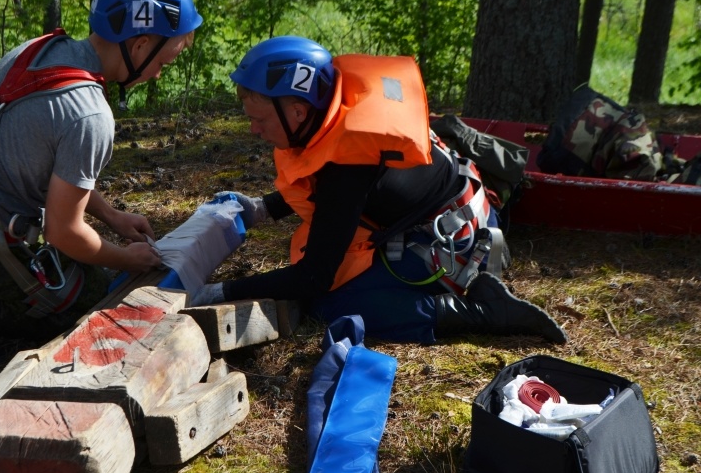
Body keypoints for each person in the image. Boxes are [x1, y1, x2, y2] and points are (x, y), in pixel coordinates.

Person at [190, 36, 567, 345]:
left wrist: (219, 292)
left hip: (460, 245)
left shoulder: (348, 166)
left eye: (259, 119)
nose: (254, 129)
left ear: (298, 112)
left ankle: (483, 312)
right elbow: (322, 177)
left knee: (331, 305)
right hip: (469, 208)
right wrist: (264, 209)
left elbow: (312, 278)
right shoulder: (339, 111)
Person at [0, 0, 202, 366]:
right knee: (100, 299)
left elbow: (51, 168)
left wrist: (112, 217)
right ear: (140, 45)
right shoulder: (90, 114)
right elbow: (64, 232)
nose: (157, 73)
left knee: (89, 265)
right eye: (162, 62)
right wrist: (128, 259)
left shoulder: (44, 49)